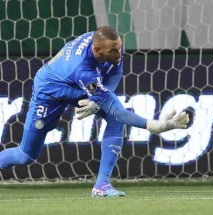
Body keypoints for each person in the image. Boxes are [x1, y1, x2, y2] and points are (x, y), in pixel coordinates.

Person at [0, 26, 189, 197]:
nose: (119, 53)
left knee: (115, 120)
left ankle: (102, 185)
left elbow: (115, 74)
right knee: (26, 156)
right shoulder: (83, 68)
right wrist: (151, 125)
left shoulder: (110, 45)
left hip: (76, 84)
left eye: (119, 48)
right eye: (113, 51)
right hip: (50, 92)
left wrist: (97, 101)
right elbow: (116, 110)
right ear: (98, 50)